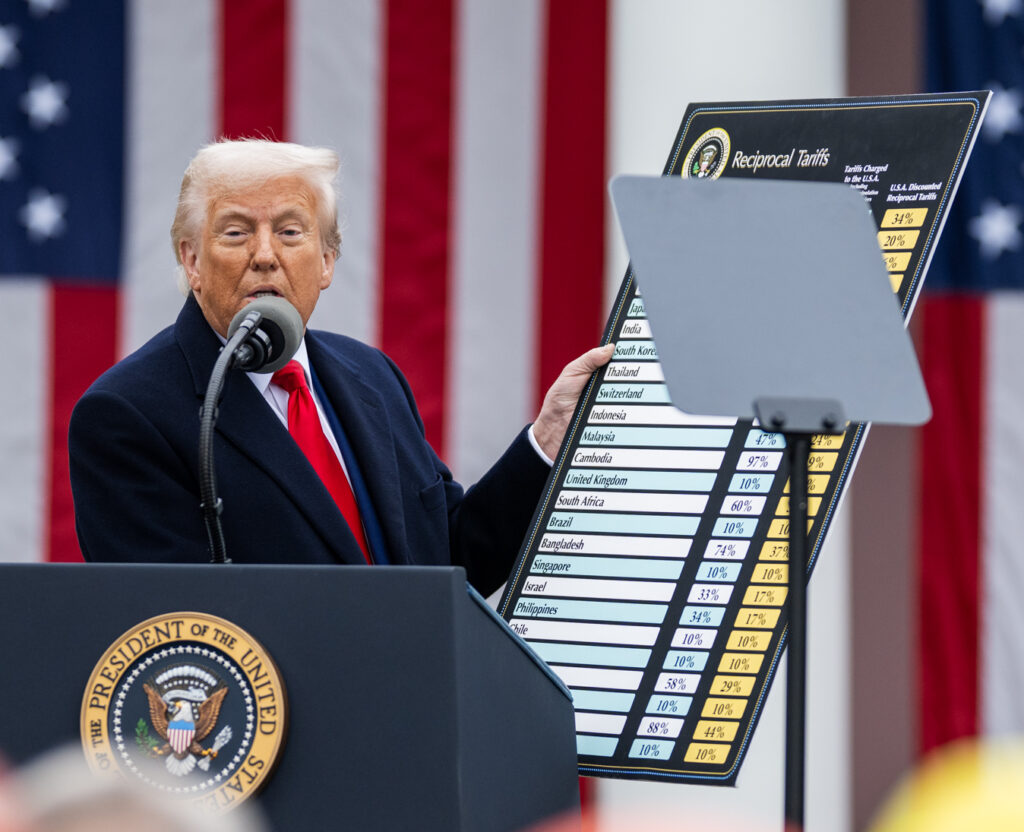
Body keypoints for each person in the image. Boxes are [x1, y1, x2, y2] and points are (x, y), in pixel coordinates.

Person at [69, 139, 611, 595]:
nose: (264, 254)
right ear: (191, 261)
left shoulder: (370, 374)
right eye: (235, 232)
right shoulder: (126, 415)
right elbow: (176, 627)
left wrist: (545, 443)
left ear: (327, 261)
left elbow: (452, 562)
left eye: (290, 231)